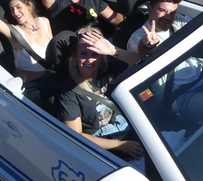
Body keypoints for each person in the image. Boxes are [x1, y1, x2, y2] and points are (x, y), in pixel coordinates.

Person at [53, 26, 144, 159]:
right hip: (105, 145)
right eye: (83, 54)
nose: (89, 60)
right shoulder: (69, 91)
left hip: (129, 129)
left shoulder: (110, 70)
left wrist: (114, 51)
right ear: (75, 57)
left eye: (95, 54)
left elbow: (142, 63)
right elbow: (76, 134)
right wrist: (119, 145)